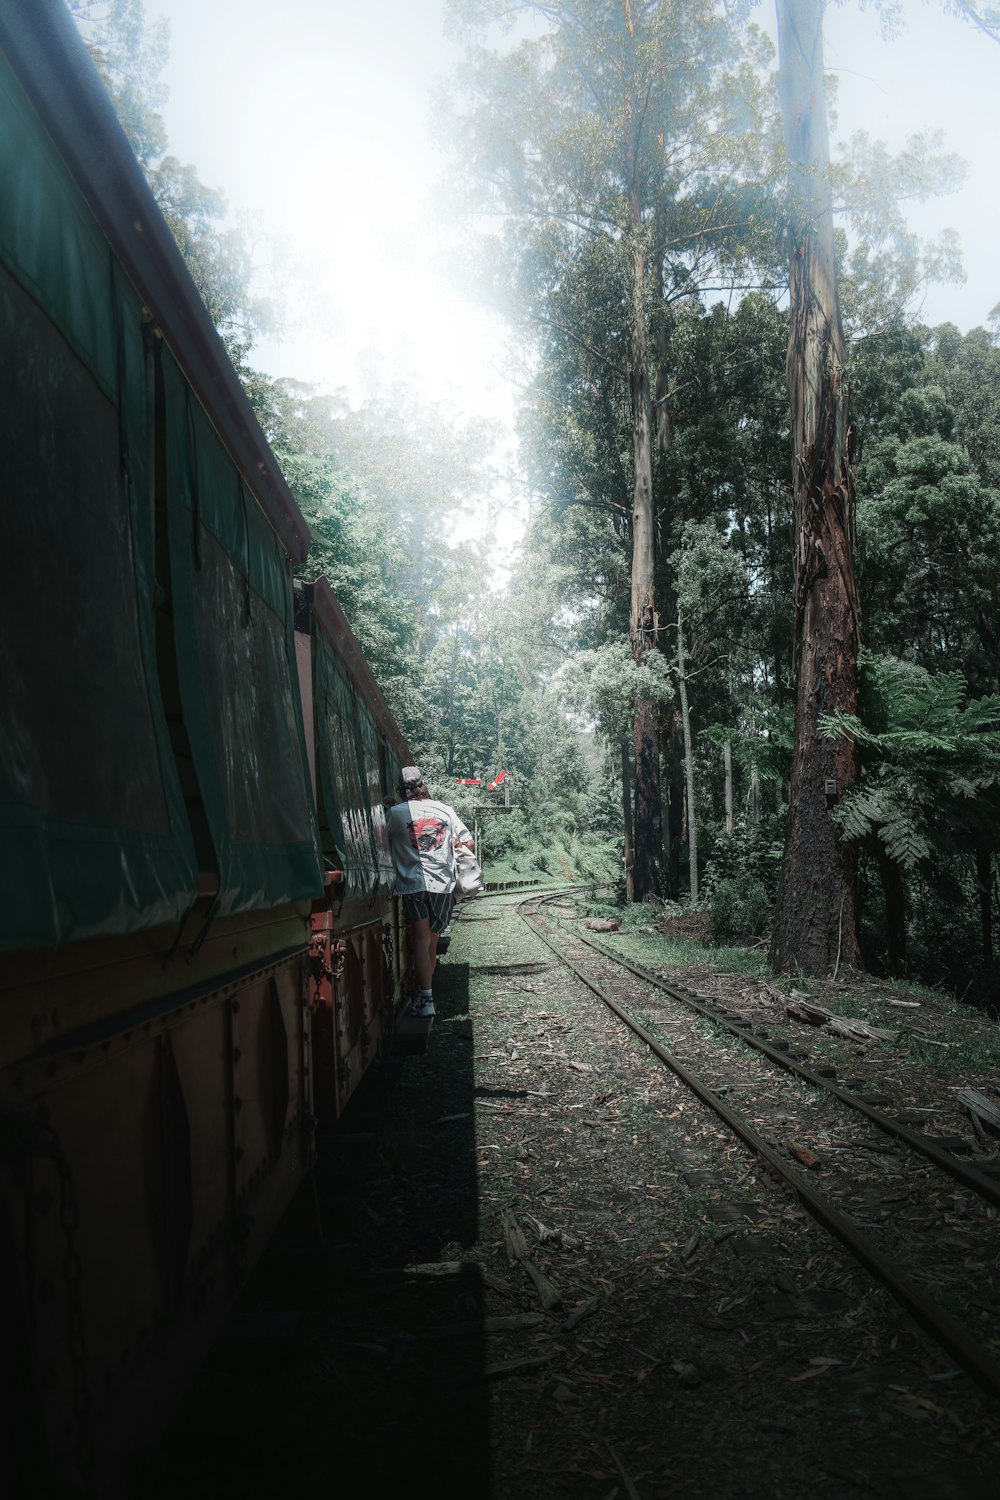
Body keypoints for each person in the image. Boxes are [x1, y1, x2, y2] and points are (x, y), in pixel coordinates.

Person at [384, 766, 474, 1018]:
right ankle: (426, 994)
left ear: (401, 790)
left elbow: (377, 838)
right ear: (424, 785)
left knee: (420, 942)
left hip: (415, 884)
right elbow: (469, 843)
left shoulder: (395, 813)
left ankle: (426, 999)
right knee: (431, 942)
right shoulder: (444, 810)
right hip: (444, 885)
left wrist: (387, 808)